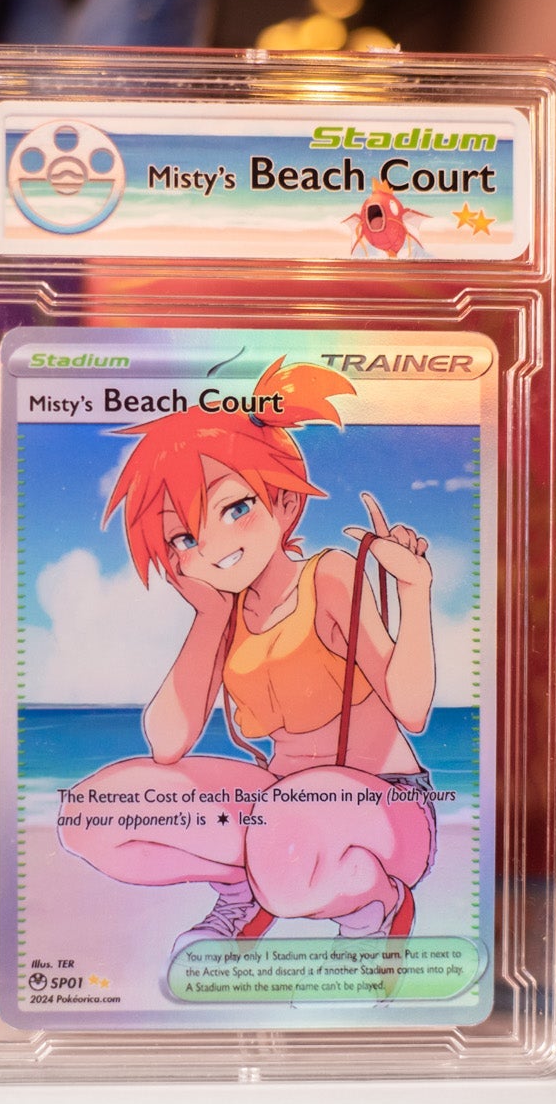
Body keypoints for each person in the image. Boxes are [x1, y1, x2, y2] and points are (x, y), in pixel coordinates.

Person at [58, 356, 440, 957]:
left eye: (235, 508)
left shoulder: (329, 577)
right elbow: (166, 744)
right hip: (281, 806)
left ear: (283, 504)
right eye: (185, 537)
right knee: (93, 815)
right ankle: (245, 892)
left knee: (286, 826)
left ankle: (374, 903)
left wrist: (415, 593)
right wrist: (209, 618)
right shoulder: (226, 615)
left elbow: (412, 710)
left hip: (386, 811)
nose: (214, 544)